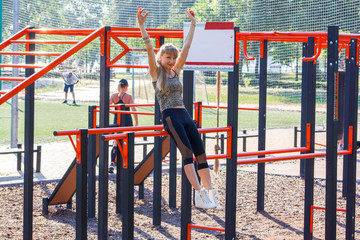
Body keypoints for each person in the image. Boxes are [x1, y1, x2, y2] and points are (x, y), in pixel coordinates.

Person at [137, 7, 222, 210]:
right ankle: (199, 193)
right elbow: (149, 49)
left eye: (173, 58)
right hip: (169, 115)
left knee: (201, 153)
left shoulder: (176, 71)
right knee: (187, 154)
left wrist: (193, 24)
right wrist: (141, 26)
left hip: (184, 113)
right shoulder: (156, 73)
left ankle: (210, 195)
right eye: (168, 57)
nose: (172, 61)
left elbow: (187, 46)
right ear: (161, 58)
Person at [109, 79, 139, 173]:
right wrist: (137, 122)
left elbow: (108, 107)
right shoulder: (129, 97)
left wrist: (115, 113)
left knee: (115, 141)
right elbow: (134, 109)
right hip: (127, 121)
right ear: (126, 86)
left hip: (117, 121)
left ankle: (112, 163)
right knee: (128, 140)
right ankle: (126, 163)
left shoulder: (114, 96)